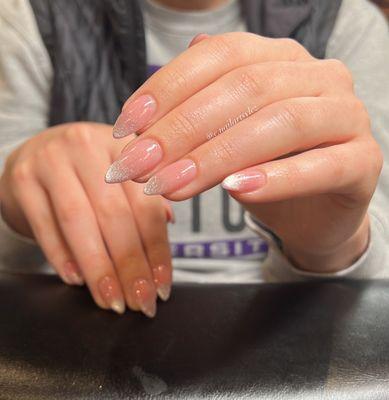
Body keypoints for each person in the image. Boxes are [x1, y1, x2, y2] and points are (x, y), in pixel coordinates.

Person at [0, 0, 388, 318]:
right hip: (85, 332)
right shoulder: (32, 15)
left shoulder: (346, 19)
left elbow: (379, 264)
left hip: (290, 336)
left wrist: (331, 247)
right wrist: (16, 203)